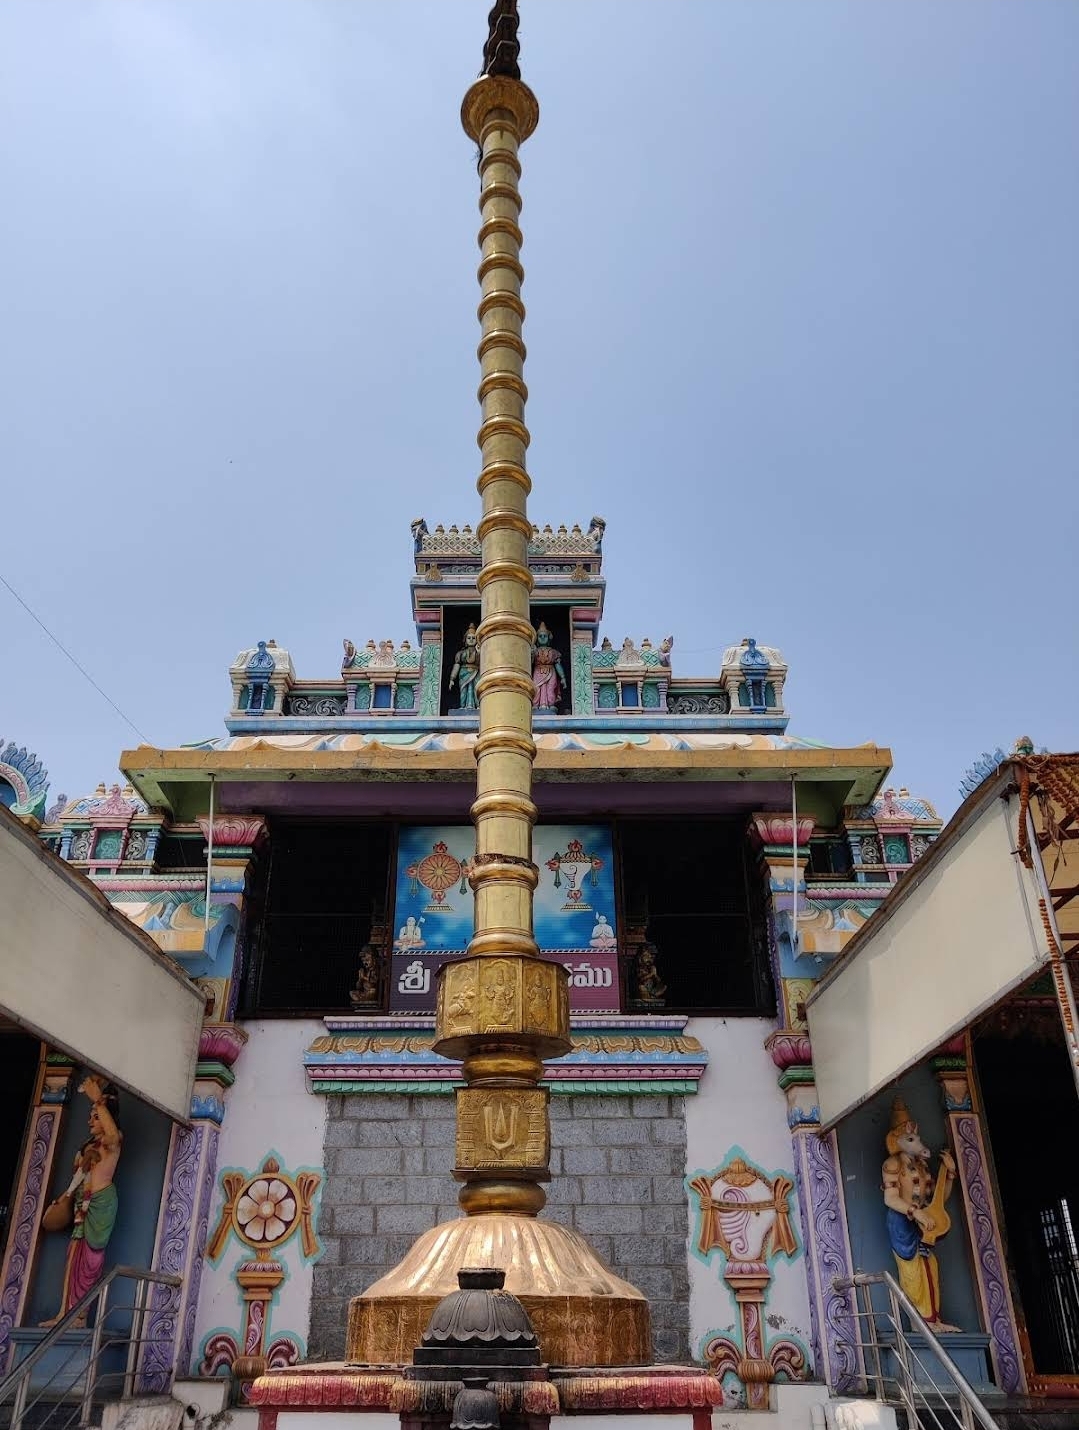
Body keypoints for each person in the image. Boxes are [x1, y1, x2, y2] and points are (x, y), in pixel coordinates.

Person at [41, 1075, 122, 1326]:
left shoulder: (113, 1141)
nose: (90, 1120)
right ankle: (65, 1314)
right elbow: (79, 1176)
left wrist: (98, 1101)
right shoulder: (89, 1145)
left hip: (100, 1204)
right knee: (74, 1255)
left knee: (90, 1259)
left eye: (96, 1116)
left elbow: (112, 1137)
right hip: (81, 1203)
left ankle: (80, 1315)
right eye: (91, 1115)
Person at [531, 623, 566, 711]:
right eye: (540, 636)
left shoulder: (553, 652)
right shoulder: (534, 651)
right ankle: (536, 706)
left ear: (548, 638)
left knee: (550, 690)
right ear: (537, 639)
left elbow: (557, 665)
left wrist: (563, 677)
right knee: (536, 690)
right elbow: (529, 663)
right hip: (537, 671)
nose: (542, 638)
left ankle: (550, 705)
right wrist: (531, 653)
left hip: (551, 672)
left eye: (545, 636)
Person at [448, 625, 479, 710]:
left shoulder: (480, 652)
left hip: (477, 672)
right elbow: (456, 665)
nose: (471, 640)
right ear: (465, 640)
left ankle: (477, 706)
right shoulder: (460, 653)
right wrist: (452, 679)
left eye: (474, 638)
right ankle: (464, 706)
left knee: (476, 690)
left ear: (477, 640)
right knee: (464, 690)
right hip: (463, 673)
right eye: (469, 638)